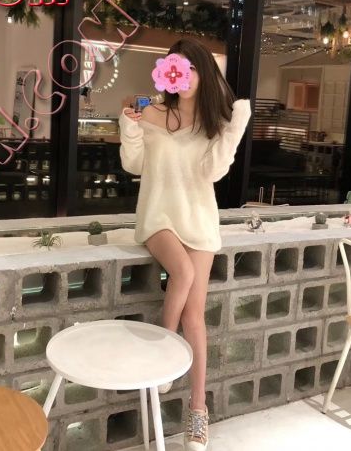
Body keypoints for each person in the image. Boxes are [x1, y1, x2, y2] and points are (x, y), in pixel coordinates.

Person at [118, 38, 252, 451]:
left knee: (195, 316)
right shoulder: (152, 112)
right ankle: (165, 352)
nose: (186, 76)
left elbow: (213, 172)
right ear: (167, 72)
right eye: (179, 67)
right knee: (183, 271)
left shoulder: (215, 122)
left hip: (199, 220)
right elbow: (134, 164)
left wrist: (236, 125)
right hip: (158, 216)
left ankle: (198, 409)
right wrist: (129, 126)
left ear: (204, 73)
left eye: (194, 67)